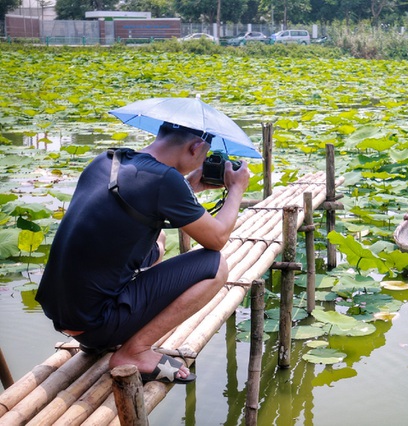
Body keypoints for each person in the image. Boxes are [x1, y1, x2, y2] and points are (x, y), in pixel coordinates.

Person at [35, 122, 250, 384]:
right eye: (205, 155)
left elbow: (139, 197)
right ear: (195, 148)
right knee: (216, 266)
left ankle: (103, 338)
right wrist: (236, 190)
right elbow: (217, 239)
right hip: (97, 325)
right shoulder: (164, 180)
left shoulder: (107, 160)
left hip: (65, 316)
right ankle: (134, 351)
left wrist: (188, 188)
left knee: (157, 241)